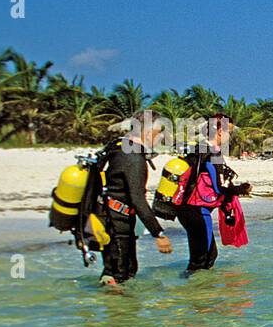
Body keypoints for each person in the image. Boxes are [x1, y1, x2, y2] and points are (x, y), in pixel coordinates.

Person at [98, 116, 173, 286]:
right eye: (159, 132)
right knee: (118, 275)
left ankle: (121, 309)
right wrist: (158, 234)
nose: (161, 137)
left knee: (125, 270)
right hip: (117, 224)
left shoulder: (119, 148)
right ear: (146, 132)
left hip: (110, 219)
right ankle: (118, 310)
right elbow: (138, 199)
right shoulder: (133, 158)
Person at [178, 114, 250, 274]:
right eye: (228, 132)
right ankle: (191, 293)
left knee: (206, 257)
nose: (229, 136)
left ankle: (193, 293)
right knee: (203, 259)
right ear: (219, 131)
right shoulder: (212, 153)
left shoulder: (199, 149)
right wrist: (241, 189)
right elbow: (220, 187)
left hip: (187, 210)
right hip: (197, 212)